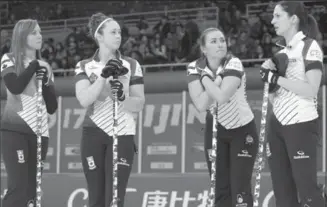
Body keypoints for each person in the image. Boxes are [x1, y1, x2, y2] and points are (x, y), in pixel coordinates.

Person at [74, 12, 145, 207]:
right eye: (113, 32)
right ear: (99, 36)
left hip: (122, 134)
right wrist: (103, 77)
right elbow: (84, 99)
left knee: (114, 198)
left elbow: (139, 104)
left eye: (119, 32)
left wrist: (122, 97)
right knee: (96, 199)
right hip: (93, 134)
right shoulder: (84, 66)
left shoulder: (132, 64)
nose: (118, 36)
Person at [260, 1, 325, 206]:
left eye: (278, 16)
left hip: (300, 123)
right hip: (276, 125)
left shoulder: (309, 46)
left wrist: (276, 79)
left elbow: (311, 89)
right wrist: (269, 81)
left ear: (293, 19)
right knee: (283, 194)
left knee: (307, 193)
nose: (272, 20)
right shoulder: (280, 53)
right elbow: (274, 94)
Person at [187, 27, 259, 207]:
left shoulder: (233, 63)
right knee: (219, 189)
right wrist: (216, 79)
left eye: (222, 40)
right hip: (215, 129)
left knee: (240, 188)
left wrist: (204, 77)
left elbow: (221, 97)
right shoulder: (192, 67)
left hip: (242, 129)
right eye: (213, 41)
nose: (220, 44)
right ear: (204, 49)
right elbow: (202, 105)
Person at [0, 19, 57, 207]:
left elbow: (52, 107)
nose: (40, 36)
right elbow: (15, 87)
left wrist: (46, 81)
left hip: (40, 133)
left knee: (33, 191)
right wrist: (33, 66)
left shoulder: (46, 66)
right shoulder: (9, 59)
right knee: (18, 187)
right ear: (22, 36)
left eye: (40, 32)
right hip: (14, 131)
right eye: (34, 33)